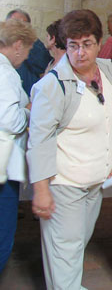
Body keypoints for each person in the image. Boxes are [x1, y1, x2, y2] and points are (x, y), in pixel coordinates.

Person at [27, 9, 112, 290]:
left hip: (95, 183)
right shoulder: (53, 85)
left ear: (99, 43)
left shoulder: (108, 70)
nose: (80, 53)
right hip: (64, 184)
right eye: (73, 45)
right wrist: (41, 190)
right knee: (66, 255)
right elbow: (39, 140)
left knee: (73, 248)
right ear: (65, 45)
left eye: (87, 44)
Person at [0, 19, 36, 274]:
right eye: (27, 50)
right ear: (18, 45)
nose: (25, 57)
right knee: (3, 229)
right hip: (4, 165)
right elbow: (9, 120)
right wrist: (29, 111)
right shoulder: (6, 73)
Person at [6, 9, 52, 95]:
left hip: (27, 94)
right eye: (15, 23)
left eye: (23, 24)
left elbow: (44, 65)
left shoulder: (34, 44)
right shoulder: (3, 44)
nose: (19, 28)